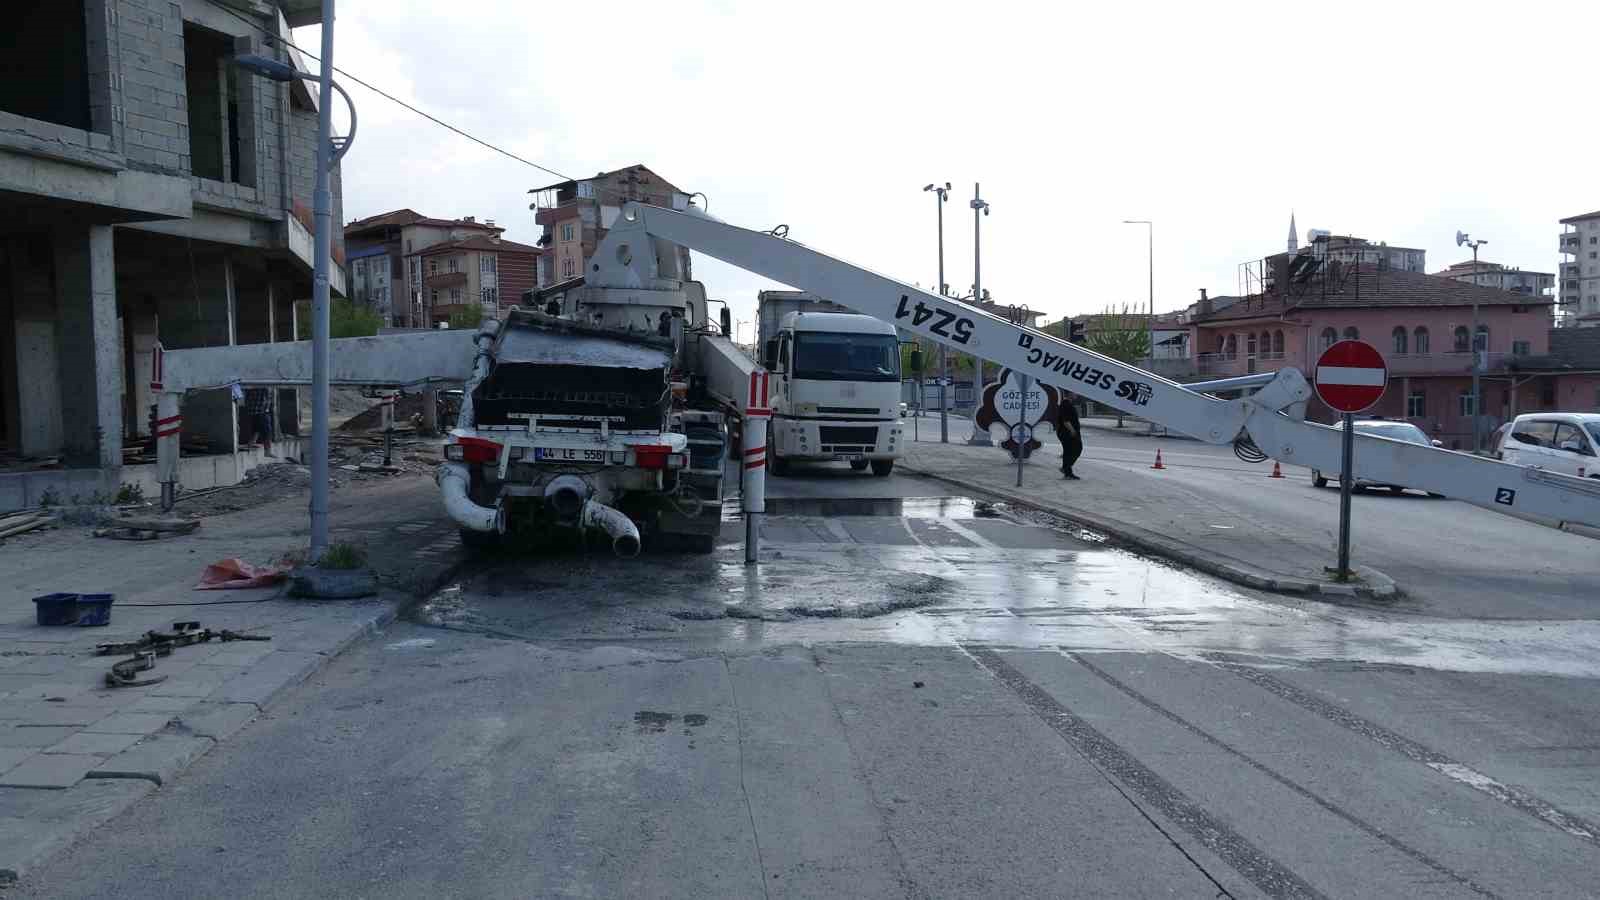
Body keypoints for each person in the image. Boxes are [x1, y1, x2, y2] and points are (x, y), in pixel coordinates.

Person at [1055, 393, 1083, 480]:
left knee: (1068, 451)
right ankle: (1066, 469)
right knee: (1077, 449)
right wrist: (1072, 430)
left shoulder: (1068, 404)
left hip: (1068, 432)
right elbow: (1065, 420)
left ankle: (1067, 472)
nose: (1077, 394)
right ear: (1070, 393)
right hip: (1068, 432)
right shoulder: (1065, 404)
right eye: (1075, 392)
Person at [242, 386, 275, 457]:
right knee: (267, 431)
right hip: (261, 411)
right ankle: (267, 451)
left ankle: (251, 443)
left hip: (252, 411)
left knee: (256, 429)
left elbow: (246, 399)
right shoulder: (264, 386)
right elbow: (267, 396)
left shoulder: (249, 386)